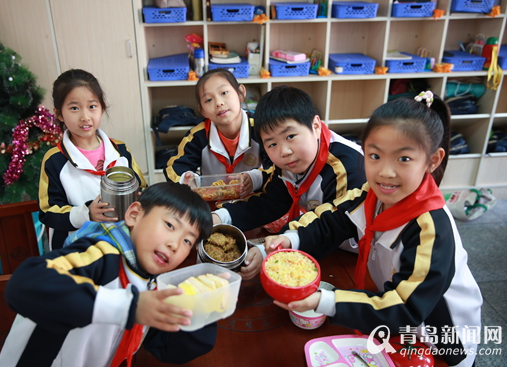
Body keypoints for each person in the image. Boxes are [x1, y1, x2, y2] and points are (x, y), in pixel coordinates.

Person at [264, 92, 482, 367]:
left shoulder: (431, 229)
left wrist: (325, 301)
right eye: (375, 156)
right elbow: (332, 219)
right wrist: (290, 238)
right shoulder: (371, 195)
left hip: (439, 339)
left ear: (433, 160)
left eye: (403, 159)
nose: (385, 172)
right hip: (388, 324)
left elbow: (406, 306)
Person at [0, 182, 216, 367]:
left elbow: (166, 346)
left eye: (188, 240)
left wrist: (202, 310)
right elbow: (25, 284)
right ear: (134, 215)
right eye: (169, 225)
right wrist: (129, 307)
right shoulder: (98, 255)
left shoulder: (148, 282)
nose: (175, 244)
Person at [212, 85, 366, 279]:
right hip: (313, 238)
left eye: (290, 136)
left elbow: (332, 227)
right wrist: (219, 218)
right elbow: (271, 203)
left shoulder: (346, 168)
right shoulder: (293, 161)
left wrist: (272, 250)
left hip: (355, 253)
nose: (284, 151)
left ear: (316, 127)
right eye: (272, 144)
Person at [38, 69, 147, 250]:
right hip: (78, 249)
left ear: (102, 107)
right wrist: (87, 213)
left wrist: (142, 198)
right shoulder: (54, 160)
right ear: (58, 113)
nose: (85, 117)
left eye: (92, 106)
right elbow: (48, 212)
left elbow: (141, 187)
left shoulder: (120, 150)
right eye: (74, 108)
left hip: (122, 243)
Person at [164, 68, 269, 196]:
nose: (219, 103)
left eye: (224, 93)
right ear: (202, 111)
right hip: (212, 202)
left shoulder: (262, 128)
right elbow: (173, 167)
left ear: (240, 93)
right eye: (209, 100)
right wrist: (187, 178)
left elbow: (278, 166)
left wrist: (255, 178)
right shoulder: (197, 136)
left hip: (255, 201)